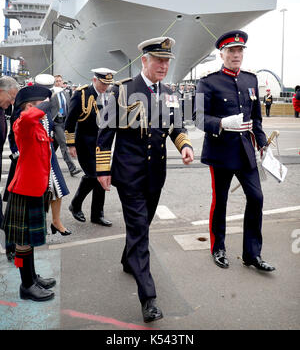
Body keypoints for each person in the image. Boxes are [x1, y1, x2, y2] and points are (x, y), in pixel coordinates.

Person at [96, 37, 194, 323]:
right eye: (158, 60)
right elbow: (105, 135)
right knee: (140, 231)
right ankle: (148, 298)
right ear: (144, 61)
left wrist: (184, 145)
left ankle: (129, 260)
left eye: (167, 61)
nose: (164, 66)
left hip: (156, 175)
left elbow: (176, 125)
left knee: (143, 223)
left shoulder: (170, 92)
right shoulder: (122, 91)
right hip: (128, 174)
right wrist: (103, 170)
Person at [194, 30, 275, 272]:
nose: (236, 55)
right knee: (221, 201)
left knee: (257, 197)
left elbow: (257, 118)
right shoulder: (208, 81)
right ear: (222, 54)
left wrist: (262, 143)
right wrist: (220, 123)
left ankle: (252, 254)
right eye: (231, 51)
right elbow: (198, 118)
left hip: (246, 150)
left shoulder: (251, 80)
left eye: (239, 51)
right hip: (221, 150)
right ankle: (218, 248)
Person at [1, 85, 56, 301]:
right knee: (22, 243)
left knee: (29, 241)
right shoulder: (23, 124)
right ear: (29, 106)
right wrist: (43, 105)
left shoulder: (39, 126)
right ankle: (26, 285)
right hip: (24, 190)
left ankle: (32, 277)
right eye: (40, 104)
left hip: (36, 189)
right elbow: (25, 119)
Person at [65, 68, 116, 226]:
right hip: (85, 143)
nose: (105, 87)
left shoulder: (110, 95)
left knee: (102, 176)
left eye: (107, 84)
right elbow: (70, 120)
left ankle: (97, 214)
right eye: (102, 83)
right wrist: (70, 144)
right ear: (95, 80)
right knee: (93, 175)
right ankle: (75, 204)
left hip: (102, 143)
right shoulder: (81, 94)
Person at [35, 74, 71, 236]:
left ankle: (56, 221)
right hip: (34, 153)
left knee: (59, 188)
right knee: (38, 190)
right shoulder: (27, 103)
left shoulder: (48, 102)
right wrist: (16, 151)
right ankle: (39, 223)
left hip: (48, 152)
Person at [0, 76, 19, 261]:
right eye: (11, 97)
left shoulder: (4, 109)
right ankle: (11, 248)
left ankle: (11, 248)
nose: (12, 102)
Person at [51, 75, 81, 177]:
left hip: (65, 121)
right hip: (56, 122)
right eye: (56, 81)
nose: (58, 83)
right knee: (64, 144)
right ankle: (72, 168)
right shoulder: (51, 94)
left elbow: (68, 107)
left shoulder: (65, 93)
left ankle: (46, 163)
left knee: (52, 147)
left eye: (60, 81)